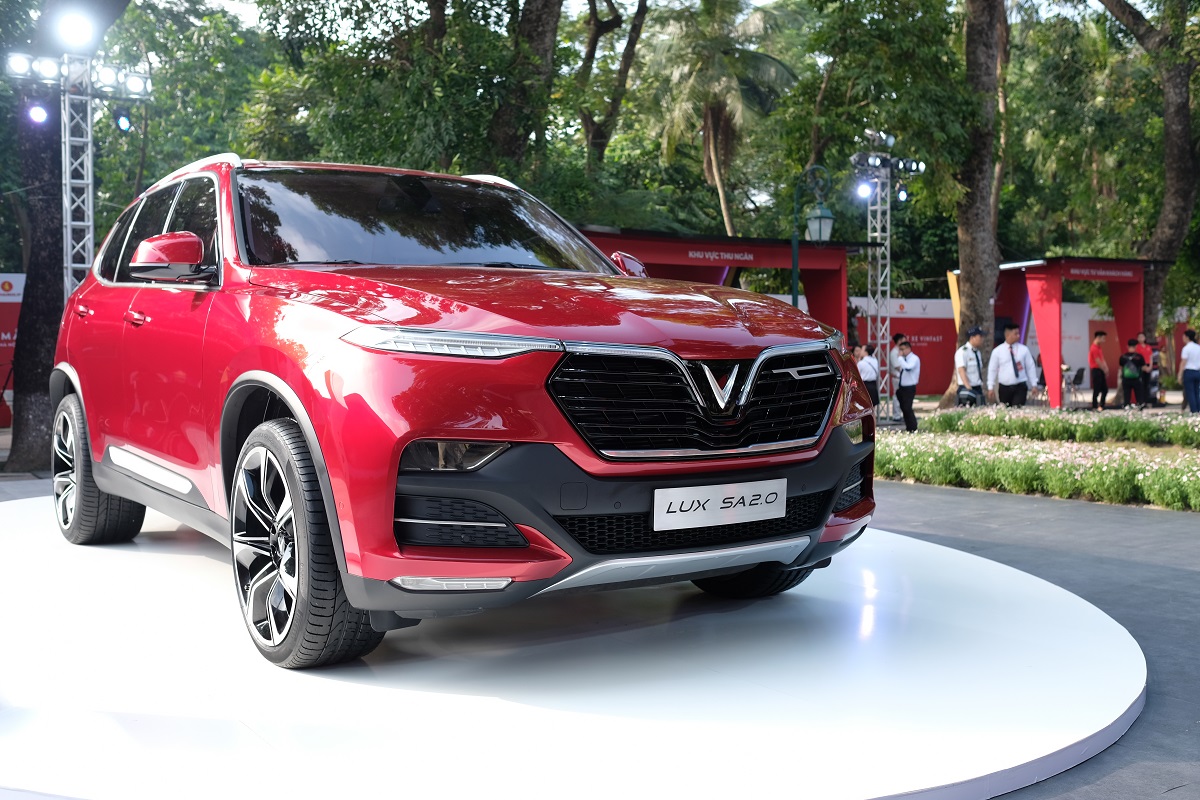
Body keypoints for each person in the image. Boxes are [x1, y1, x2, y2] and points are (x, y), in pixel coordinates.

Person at [987, 322, 1038, 406]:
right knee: (1005, 409)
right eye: (1015, 334)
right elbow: (992, 369)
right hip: (1004, 387)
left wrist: (1034, 384)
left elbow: (1030, 367)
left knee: (1017, 408)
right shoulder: (997, 351)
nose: (1018, 336)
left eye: (1018, 333)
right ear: (1008, 335)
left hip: (1020, 386)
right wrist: (990, 387)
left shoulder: (1024, 350)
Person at [954, 325, 986, 406]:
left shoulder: (977, 352)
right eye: (980, 336)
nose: (982, 339)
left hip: (977, 387)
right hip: (967, 388)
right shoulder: (963, 352)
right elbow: (961, 370)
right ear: (972, 337)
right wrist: (968, 388)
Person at [895, 340, 920, 432]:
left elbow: (908, 368)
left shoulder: (914, 358)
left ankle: (913, 427)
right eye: (900, 350)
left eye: (902, 349)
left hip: (909, 387)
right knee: (904, 408)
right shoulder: (904, 359)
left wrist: (900, 358)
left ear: (908, 348)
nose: (901, 352)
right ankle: (908, 427)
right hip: (902, 387)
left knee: (907, 408)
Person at [1118, 338, 1147, 409]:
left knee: (1126, 395)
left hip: (1126, 379)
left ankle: (1126, 407)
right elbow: (1144, 368)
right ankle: (1139, 407)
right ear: (1136, 346)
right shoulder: (1139, 357)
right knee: (1139, 395)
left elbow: (1120, 368)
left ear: (1127, 346)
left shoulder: (1123, 357)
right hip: (1137, 379)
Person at [1179, 329, 1200, 413]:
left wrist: (1180, 374)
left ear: (1187, 337)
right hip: (1197, 372)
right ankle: (1198, 410)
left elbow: (1183, 362)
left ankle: (1194, 411)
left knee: (1190, 392)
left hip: (1189, 372)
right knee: (1197, 392)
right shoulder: (1198, 347)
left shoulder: (1186, 348)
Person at [888, 332, 907, 419]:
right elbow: (897, 366)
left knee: (903, 397)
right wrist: (907, 369)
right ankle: (896, 415)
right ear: (899, 341)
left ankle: (901, 414)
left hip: (903, 377)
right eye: (903, 341)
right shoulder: (894, 352)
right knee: (897, 397)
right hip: (897, 378)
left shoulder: (901, 352)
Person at [1089, 330, 1109, 410]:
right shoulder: (1094, 348)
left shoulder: (1099, 347)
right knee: (1097, 389)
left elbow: (1102, 359)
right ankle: (1095, 406)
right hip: (1096, 370)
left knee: (1105, 389)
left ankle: (1101, 405)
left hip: (1100, 370)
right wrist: (1104, 369)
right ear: (1098, 338)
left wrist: (1106, 368)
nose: (1104, 340)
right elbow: (1097, 360)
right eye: (1103, 338)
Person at [858, 343, 881, 408]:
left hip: (864, 386)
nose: (860, 351)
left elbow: (858, 375)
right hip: (873, 385)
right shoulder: (875, 361)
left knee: (864, 407)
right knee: (872, 408)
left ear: (866, 352)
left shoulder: (861, 363)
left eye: (862, 349)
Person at [1135, 332, 1154, 407]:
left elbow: (1151, 357)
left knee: (1147, 384)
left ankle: (1146, 401)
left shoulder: (1148, 347)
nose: (1141, 338)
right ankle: (1141, 401)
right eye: (1139, 337)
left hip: (1148, 366)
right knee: (1141, 385)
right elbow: (1137, 358)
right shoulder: (1137, 347)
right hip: (1141, 367)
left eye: (1142, 337)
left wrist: (1150, 366)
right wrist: (1143, 367)